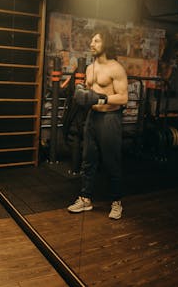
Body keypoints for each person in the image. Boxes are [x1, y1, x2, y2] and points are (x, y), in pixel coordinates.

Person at [67, 28, 128, 219]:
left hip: (110, 119)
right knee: (88, 160)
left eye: (96, 41)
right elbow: (88, 93)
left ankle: (116, 202)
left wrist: (101, 99)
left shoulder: (115, 68)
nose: (91, 44)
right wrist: (81, 91)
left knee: (111, 162)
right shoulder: (90, 68)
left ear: (105, 44)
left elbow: (123, 98)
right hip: (92, 118)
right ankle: (85, 199)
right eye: (92, 41)